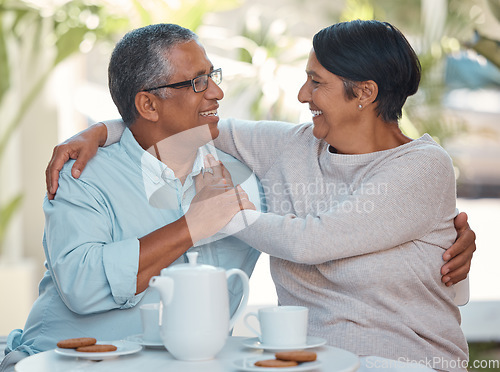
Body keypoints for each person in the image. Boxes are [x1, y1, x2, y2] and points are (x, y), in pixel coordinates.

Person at [44, 21, 476, 371]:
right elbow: (186, 124)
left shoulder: (421, 167)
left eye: (315, 82)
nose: (302, 95)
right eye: (200, 81)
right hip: (307, 361)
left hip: (402, 363)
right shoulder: (288, 148)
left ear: (364, 93)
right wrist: (99, 130)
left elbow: (311, 241)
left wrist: (220, 212)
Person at [0, 24, 263, 370]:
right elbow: (83, 285)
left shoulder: (244, 174)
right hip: (62, 364)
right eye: (198, 81)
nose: (217, 92)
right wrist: (192, 226)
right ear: (149, 104)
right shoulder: (82, 175)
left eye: (212, 75)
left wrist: (104, 128)